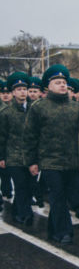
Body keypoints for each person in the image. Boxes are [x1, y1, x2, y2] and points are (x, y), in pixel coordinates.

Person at [23, 64, 79, 244]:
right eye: (58, 82)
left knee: (74, 196)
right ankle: (65, 232)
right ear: (48, 86)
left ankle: (52, 229)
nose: (63, 85)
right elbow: (30, 136)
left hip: (73, 162)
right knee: (57, 197)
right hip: (50, 161)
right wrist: (31, 161)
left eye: (64, 82)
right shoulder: (39, 108)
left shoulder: (77, 108)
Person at [0, 72, 33, 224]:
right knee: (20, 185)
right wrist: (1, 157)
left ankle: (16, 211)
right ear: (13, 92)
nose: (22, 92)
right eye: (18, 89)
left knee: (29, 185)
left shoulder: (34, 110)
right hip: (13, 156)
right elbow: (2, 136)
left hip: (30, 156)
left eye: (24, 89)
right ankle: (26, 214)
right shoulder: (6, 113)